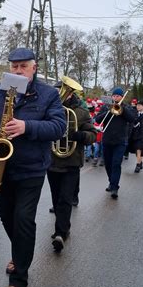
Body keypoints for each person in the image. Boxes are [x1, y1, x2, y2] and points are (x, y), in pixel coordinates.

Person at [0, 48, 66, 287]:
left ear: (34, 68)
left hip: (31, 169)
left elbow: (59, 127)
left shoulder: (49, 94)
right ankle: (20, 254)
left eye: (23, 66)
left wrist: (27, 126)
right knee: (6, 216)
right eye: (13, 66)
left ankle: (19, 281)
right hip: (0, 166)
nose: (17, 70)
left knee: (24, 219)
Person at [47, 78, 96, 252]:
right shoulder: (49, 109)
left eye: (62, 91)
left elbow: (92, 135)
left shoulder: (81, 111)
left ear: (70, 92)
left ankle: (60, 233)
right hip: (52, 160)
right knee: (55, 198)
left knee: (65, 199)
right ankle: (63, 227)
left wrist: (80, 136)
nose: (59, 94)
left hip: (71, 161)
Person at [94, 87, 136, 199]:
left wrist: (122, 110)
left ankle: (115, 187)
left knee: (116, 164)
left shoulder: (126, 107)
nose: (116, 97)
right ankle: (111, 182)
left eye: (118, 96)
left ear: (122, 97)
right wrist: (108, 112)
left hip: (120, 141)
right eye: (114, 96)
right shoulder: (106, 107)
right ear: (112, 96)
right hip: (107, 140)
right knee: (108, 164)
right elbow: (97, 120)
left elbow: (132, 119)